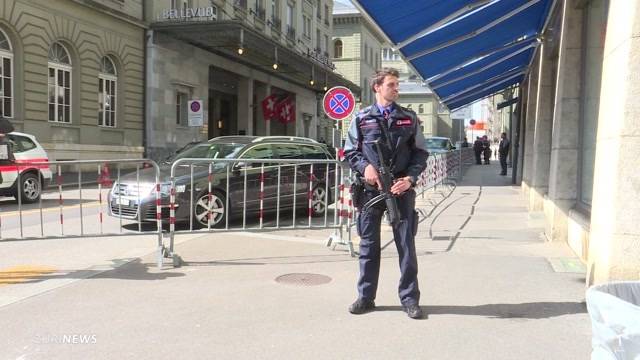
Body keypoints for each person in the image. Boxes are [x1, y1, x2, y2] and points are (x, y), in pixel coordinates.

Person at [344, 68, 428, 319]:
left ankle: (410, 299)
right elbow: (350, 151)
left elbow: (421, 153)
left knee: (406, 245)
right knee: (369, 246)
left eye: (397, 85)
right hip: (371, 191)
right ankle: (366, 297)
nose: (396, 89)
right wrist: (365, 167)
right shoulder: (361, 118)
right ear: (377, 88)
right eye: (391, 84)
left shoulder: (409, 118)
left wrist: (410, 179)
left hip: (400, 189)